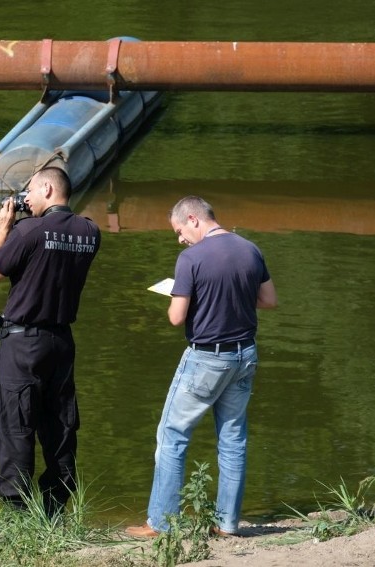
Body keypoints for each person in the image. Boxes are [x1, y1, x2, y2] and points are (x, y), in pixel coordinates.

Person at [127, 195, 278, 538]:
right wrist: (232, 294)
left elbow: (176, 317)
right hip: (245, 356)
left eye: (180, 230)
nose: (180, 238)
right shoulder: (250, 249)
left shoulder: (190, 258)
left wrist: (186, 295)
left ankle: (161, 523)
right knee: (233, 438)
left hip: (207, 359)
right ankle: (227, 525)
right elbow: (269, 301)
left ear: (193, 219)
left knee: (171, 436)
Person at [0, 166, 101, 518]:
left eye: (30, 191)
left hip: (22, 345)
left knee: (15, 425)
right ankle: (53, 510)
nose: (26, 199)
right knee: (59, 425)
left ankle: (19, 517)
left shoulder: (27, 231)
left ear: (48, 189)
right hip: (61, 344)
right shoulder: (90, 233)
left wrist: (1, 229)